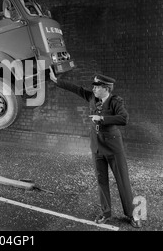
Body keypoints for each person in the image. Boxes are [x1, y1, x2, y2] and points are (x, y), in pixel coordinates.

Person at [50, 70, 141, 228]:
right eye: (93, 86)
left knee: (123, 181)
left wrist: (102, 118)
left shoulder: (115, 101)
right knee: (101, 181)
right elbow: (76, 89)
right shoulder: (92, 97)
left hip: (113, 148)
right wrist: (55, 80)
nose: (93, 89)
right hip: (97, 146)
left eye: (97, 87)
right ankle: (106, 212)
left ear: (106, 88)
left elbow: (124, 118)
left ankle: (132, 214)